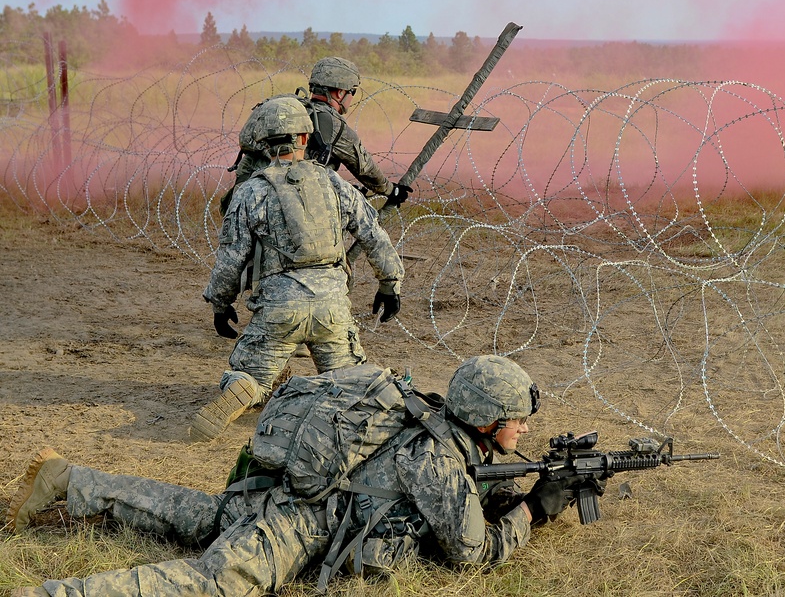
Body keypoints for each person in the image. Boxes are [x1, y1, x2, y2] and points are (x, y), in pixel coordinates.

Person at [6, 355, 582, 597]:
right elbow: (470, 553)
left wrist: (512, 487)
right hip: (301, 524)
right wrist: (533, 510)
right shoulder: (437, 456)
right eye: (517, 421)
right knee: (216, 583)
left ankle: (66, 480)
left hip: (273, 492)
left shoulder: (427, 414)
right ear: (487, 420)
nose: (525, 429)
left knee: (194, 514)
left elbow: (471, 487)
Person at [192, 95, 405, 442]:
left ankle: (245, 388)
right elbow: (373, 234)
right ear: (305, 138)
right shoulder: (336, 185)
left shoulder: (251, 191)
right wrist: (389, 283)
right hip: (332, 307)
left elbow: (231, 257)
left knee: (252, 377)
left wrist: (220, 302)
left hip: (279, 308)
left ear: (262, 142)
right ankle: (358, 400)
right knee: (349, 380)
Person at [220, 56, 411, 216]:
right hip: (292, 210)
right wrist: (391, 190)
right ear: (340, 92)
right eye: (352, 92)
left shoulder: (286, 110)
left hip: (244, 201)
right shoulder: (333, 125)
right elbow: (365, 169)